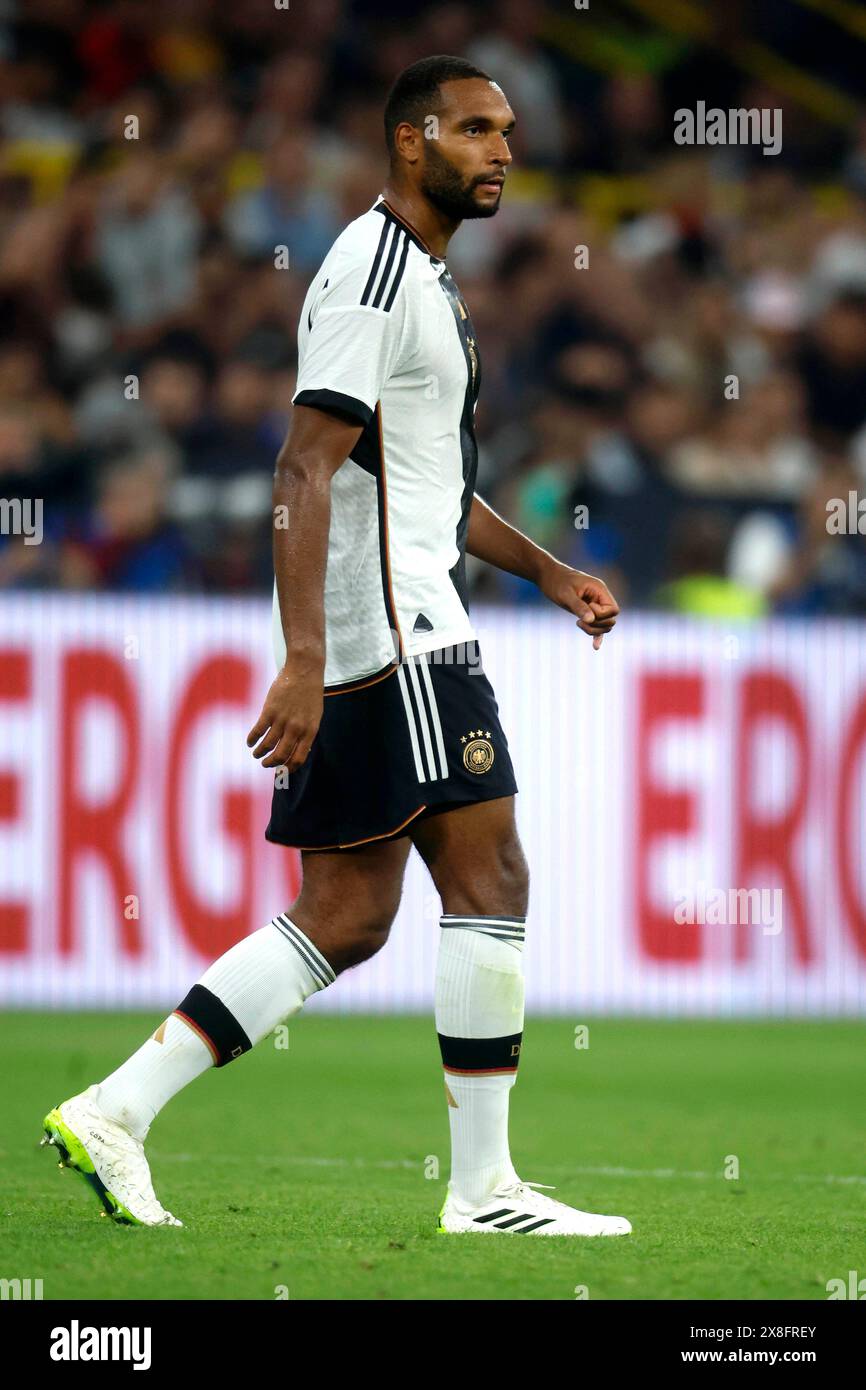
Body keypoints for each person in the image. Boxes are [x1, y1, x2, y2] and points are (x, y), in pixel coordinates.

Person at [42, 55, 629, 1238]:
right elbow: (300, 468)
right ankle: (481, 1191)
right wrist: (304, 660)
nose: (501, 151)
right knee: (491, 876)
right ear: (409, 143)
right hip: (398, 635)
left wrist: (547, 571)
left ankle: (114, 1107)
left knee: (351, 910)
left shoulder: (418, 275)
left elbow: (423, 484)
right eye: (472, 130)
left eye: (507, 130)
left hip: (403, 614)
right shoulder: (372, 271)